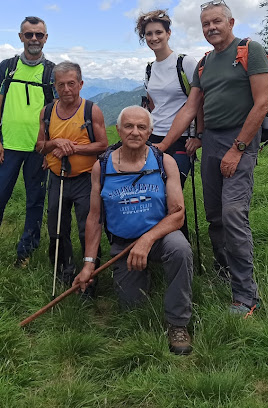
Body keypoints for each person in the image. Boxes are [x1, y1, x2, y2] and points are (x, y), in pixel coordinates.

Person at [154, 0, 268, 317]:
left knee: (233, 214)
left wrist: (238, 148)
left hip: (240, 138)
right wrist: (163, 147)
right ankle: (223, 269)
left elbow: (261, 104)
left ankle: (245, 296)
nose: (211, 27)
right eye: (206, 23)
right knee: (215, 215)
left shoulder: (250, 50)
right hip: (212, 141)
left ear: (230, 23)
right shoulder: (205, 63)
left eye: (217, 21)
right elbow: (191, 108)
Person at [73, 106, 194, 355]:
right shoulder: (102, 166)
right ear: (118, 130)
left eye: (141, 127)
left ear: (150, 132)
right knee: (132, 308)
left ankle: (178, 322)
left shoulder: (164, 162)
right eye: (128, 126)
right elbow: (94, 218)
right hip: (123, 245)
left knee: (180, 249)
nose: (135, 132)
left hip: (160, 237)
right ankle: (142, 273)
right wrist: (88, 264)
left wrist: (147, 240)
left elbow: (178, 214)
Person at [0, 16, 55, 267]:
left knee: (35, 201)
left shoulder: (52, 71)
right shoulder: (7, 67)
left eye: (39, 35)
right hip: (8, 146)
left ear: (46, 38)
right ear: (20, 37)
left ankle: (26, 251)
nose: (34, 39)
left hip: (38, 148)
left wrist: (49, 147)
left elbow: (57, 110)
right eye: (29, 35)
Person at [35, 61, 108, 288]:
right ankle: (63, 272)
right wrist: (56, 142)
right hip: (57, 178)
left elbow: (102, 145)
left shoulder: (91, 110)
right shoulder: (47, 112)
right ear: (54, 86)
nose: (66, 89)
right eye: (61, 85)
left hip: (86, 179)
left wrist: (72, 148)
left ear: (80, 84)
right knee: (57, 228)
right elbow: (39, 146)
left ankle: (90, 276)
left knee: (88, 229)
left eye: (71, 84)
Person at [135, 9, 203, 236]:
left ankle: (180, 248)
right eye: (148, 34)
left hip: (181, 140)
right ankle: (162, 245)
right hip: (154, 138)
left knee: (172, 196)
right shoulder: (150, 68)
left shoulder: (185, 63)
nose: (154, 38)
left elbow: (199, 101)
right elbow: (153, 104)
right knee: (155, 195)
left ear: (168, 33)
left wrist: (198, 135)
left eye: (158, 32)